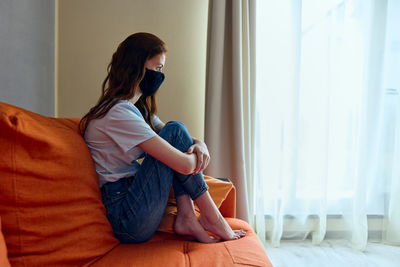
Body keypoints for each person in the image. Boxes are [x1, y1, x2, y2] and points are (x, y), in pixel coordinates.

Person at [79, 32, 245, 243]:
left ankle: (188, 217)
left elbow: (174, 137)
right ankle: (212, 218)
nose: (160, 75)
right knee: (176, 131)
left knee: (175, 131)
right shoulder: (118, 114)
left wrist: (200, 145)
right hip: (126, 216)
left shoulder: (134, 110)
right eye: (157, 69)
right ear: (137, 66)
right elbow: (183, 163)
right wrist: (195, 155)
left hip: (134, 197)